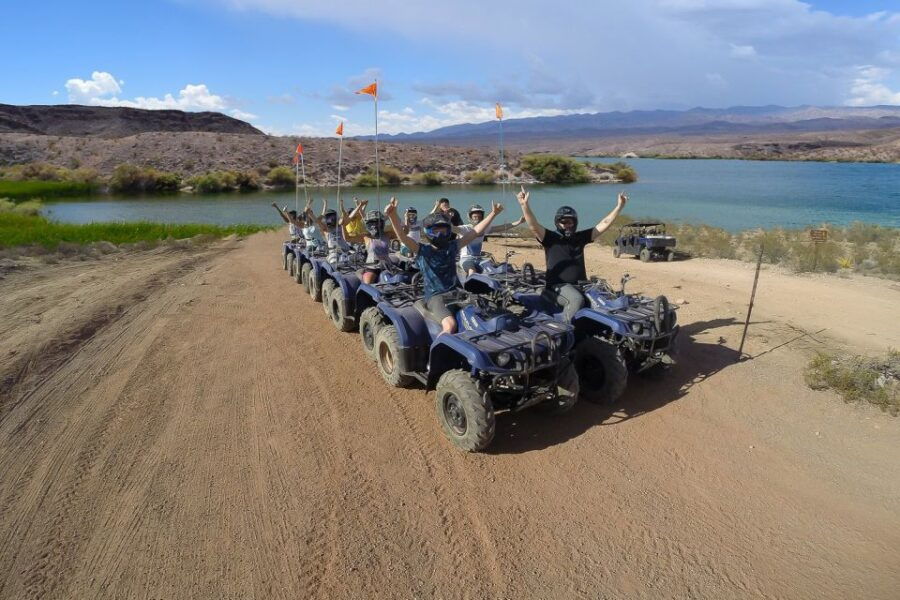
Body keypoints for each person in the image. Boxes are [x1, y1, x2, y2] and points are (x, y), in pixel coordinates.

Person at [385, 196, 503, 335]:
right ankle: (439, 350)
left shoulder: (452, 247)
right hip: (436, 297)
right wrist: (392, 216)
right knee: (450, 326)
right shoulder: (423, 250)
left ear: (449, 231)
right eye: (435, 231)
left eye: (443, 231)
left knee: (485, 313)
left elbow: (475, 232)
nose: (440, 235)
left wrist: (493, 214)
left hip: (457, 292)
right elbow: (403, 237)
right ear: (428, 232)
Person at [517, 185, 627, 322]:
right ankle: (563, 330)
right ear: (558, 223)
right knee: (576, 300)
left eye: (570, 222)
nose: (567, 225)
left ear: (575, 222)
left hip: (582, 284)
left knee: (605, 299)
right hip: (558, 286)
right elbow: (533, 226)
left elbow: (604, 224)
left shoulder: (580, 237)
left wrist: (619, 207)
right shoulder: (550, 238)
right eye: (563, 222)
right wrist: (524, 205)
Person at [454, 203, 524, 275]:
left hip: (479, 259)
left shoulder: (485, 229)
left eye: (479, 216)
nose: (477, 218)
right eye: (475, 216)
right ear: (470, 217)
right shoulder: (465, 228)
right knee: (472, 272)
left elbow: (502, 227)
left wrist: (518, 222)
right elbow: (452, 229)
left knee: (495, 271)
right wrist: (444, 220)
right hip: (466, 259)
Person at [361, 210, 397, 284]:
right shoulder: (366, 237)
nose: (374, 226)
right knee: (367, 285)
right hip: (371, 267)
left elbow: (403, 232)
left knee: (400, 280)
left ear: (381, 223)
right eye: (371, 223)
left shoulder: (387, 235)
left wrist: (393, 214)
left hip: (387, 266)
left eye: (377, 223)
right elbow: (348, 238)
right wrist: (343, 224)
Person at [312, 198, 351, 264]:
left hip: (346, 251)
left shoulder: (340, 225)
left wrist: (341, 207)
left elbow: (344, 216)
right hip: (334, 253)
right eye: (329, 217)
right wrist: (324, 206)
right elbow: (317, 221)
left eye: (332, 217)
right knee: (334, 261)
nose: (331, 219)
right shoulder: (326, 229)